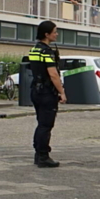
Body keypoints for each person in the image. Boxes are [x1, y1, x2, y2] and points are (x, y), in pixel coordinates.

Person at [28, 20, 66, 168]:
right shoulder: (47, 51)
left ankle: (38, 154)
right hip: (46, 92)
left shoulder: (34, 50)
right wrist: (62, 92)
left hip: (35, 91)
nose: (56, 34)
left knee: (41, 124)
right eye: (54, 31)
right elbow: (53, 74)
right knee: (46, 125)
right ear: (46, 34)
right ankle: (43, 156)